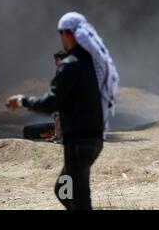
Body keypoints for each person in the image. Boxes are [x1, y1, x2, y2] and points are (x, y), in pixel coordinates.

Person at [6, 12, 119, 210]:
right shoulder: (93, 63)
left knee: (78, 197)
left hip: (78, 142)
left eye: (61, 33)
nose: (61, 38)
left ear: (68, 34)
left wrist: (22, 100)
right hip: (93, 140)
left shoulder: (71, 65)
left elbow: (51, 103)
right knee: (64, 190)